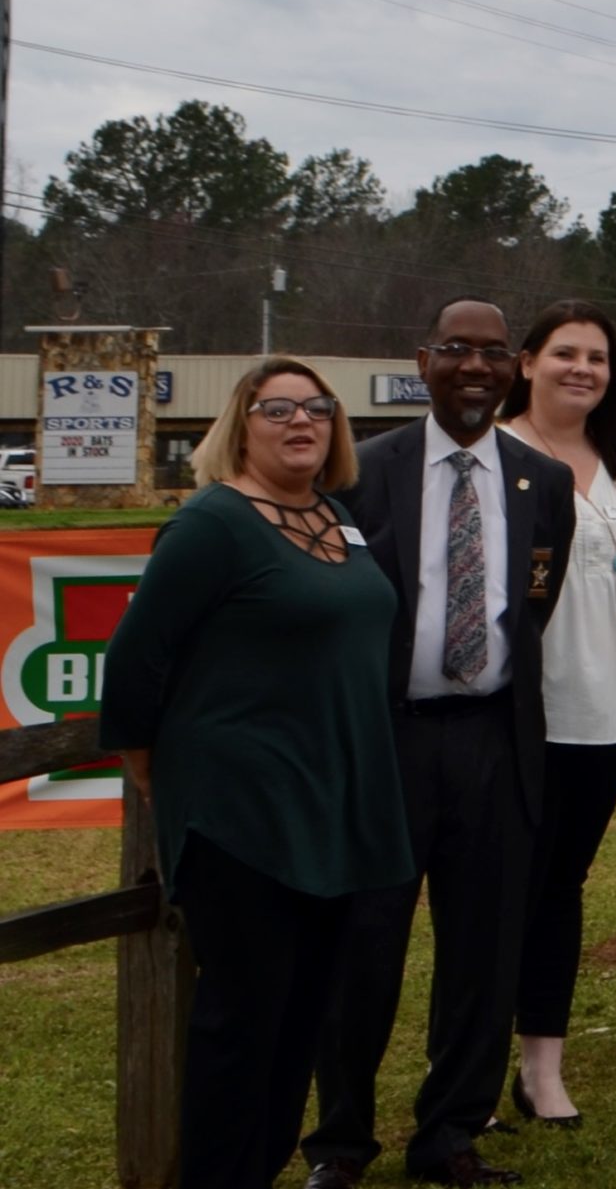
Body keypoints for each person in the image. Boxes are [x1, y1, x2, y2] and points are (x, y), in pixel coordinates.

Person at [100, 361, 412, 1189]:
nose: (300, 420)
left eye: (317, 407)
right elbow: (136, 661)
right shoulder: (213, 523)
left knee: (302, 1018)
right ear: (241, 424)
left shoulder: (333, 516)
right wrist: (154, 768)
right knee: (244, 1022)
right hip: (244, 816)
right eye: (278, 408)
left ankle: (260, 1170)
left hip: (334, 806)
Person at [304, 299, 574, 1189]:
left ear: (515, 369)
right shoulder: (363, 472)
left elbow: (534, 603)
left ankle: (450, 1132)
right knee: (362, 946)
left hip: (495, 741)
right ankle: (341, 1142)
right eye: (456, 349)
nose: (475, 365)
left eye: (494, 352)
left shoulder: (544, 480)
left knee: (483, 952)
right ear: (424, 361)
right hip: (387, 745)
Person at [495, 302, 616, 1127]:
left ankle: (543, 1068)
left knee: (559, 890)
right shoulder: (494, 456)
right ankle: (462, 1069)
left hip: (604, 720)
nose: (582, 369)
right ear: (526, 362)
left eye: (597, 357)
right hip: (514, 719)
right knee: (496, 895)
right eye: (564, 353)